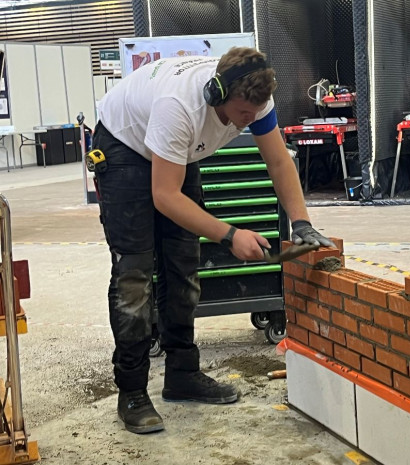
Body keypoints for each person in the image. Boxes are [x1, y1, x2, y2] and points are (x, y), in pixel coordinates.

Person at [92, 47, 334, 434]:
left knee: (183, 266)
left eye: (254, 115)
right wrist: (230, 235)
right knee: (134, 275)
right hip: (125, 147)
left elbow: (277, 160)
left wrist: (302, 222)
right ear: (216, 95)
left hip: (175, 151)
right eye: (242, 115)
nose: (248, 122)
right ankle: (133, 392)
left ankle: (182, 375)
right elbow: (165, 196)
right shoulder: (180, 107)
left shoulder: (254, 98)